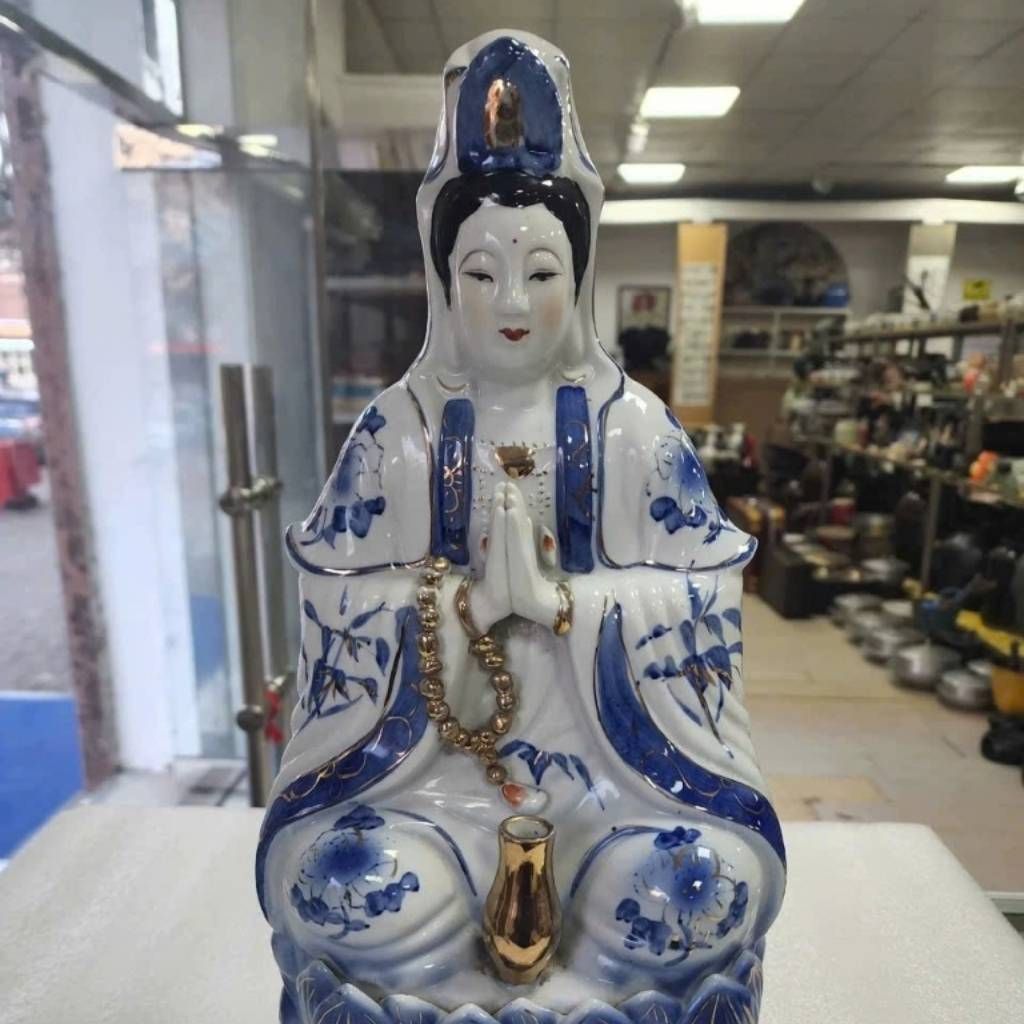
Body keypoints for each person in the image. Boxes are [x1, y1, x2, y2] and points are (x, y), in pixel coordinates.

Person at [257, 31, 784, 1022]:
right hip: (432, 792)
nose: (511, 302)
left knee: (692, 892)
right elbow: (331, 604)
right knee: (345, 888)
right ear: (442, 281)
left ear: (576, 282)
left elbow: (708, 597)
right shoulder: (397, 436)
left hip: (615, 793)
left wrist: (563, 608)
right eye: (480, 273)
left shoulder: (633, 431)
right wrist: (459, 608)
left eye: (540, 272)